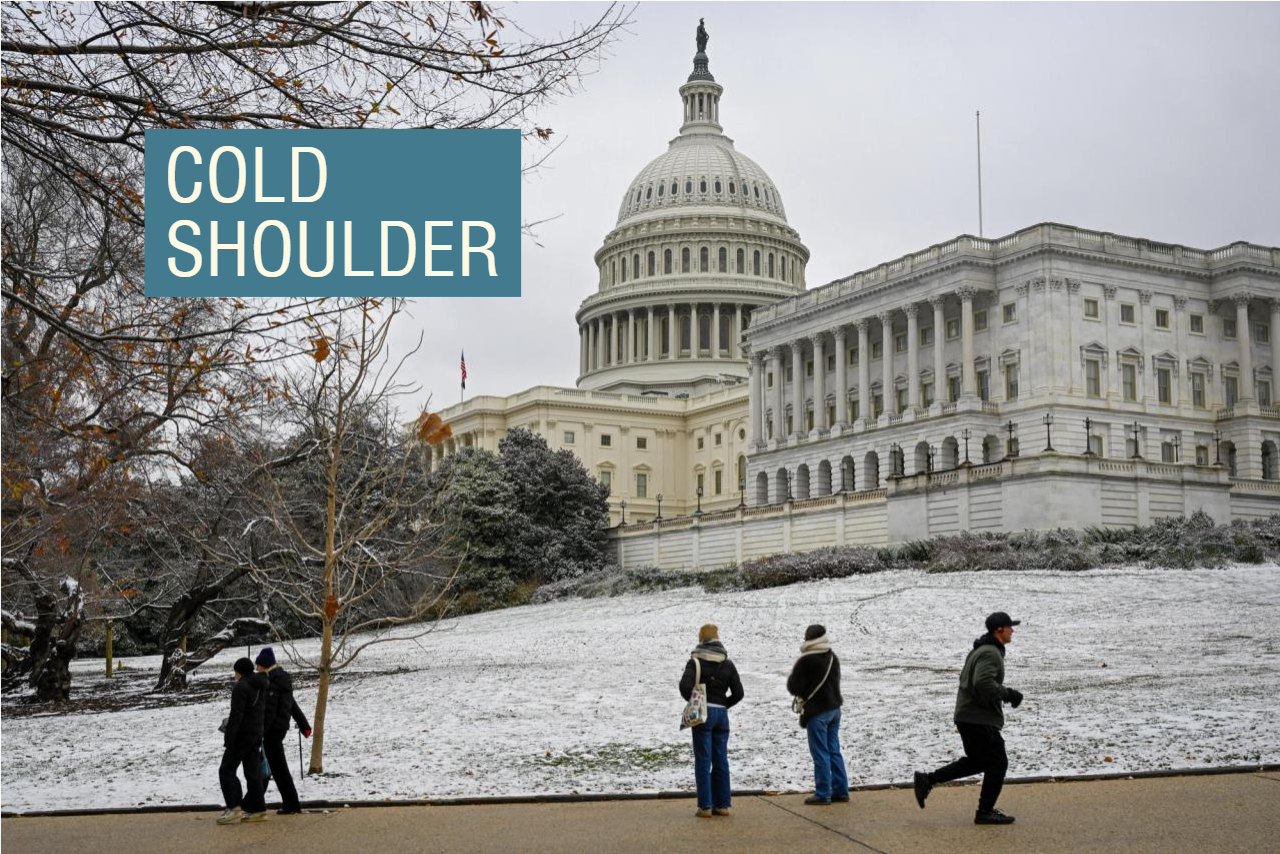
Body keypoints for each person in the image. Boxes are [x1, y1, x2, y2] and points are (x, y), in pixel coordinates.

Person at [913, 611, 1025, 825]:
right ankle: (985, 811)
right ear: (998, 630)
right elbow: (982, 683)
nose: (1013, 630)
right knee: (998, 763)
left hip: (969, 716)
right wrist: (1008, 694)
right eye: (1010, 627)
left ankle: (927, 780)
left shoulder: (982, 650)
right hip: (978, 718)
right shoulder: (990, 652)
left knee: (978, 761)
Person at [678, 624, 743, 818]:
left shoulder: (695, 662)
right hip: (722, 715)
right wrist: (723, 704)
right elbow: (739, 693)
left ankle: (705, 806)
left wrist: (696, 704)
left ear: (701, 639)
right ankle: (722, 806)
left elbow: (684, 686)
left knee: (703, 760)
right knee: (721, 759)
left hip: (703, 715)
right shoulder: (728, 664)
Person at [786, 624, 848, 806]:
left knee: (820, 753)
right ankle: (841, 790)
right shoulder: (831, 657)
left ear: (809, 639)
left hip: (817, 711)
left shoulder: (806, 660)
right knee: (834, 750)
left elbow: (793, 687)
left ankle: (823, 793)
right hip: (835, 709)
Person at [255, 647, 312, 815]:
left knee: (275, 769)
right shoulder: (280, 680)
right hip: (277, 730)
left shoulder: (274, 682)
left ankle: (289, 804)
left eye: (258, 666)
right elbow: (293, 705)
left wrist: (262, 731)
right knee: (272, 768)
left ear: (264, 665)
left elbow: (270, 712)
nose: (256, 669)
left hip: (273, 732)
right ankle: (261, 802)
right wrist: (305, 726)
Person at [218, 657, 269, 825]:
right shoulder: (260, 685)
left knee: (226, 769)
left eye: (235, 672)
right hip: (256, 733)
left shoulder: (241, 687)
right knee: (252, 772)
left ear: (239, 672)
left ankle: (233, 808)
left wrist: (229, 737)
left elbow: (237, 715)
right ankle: (257, 809)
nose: (235, 675)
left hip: (242, 735)